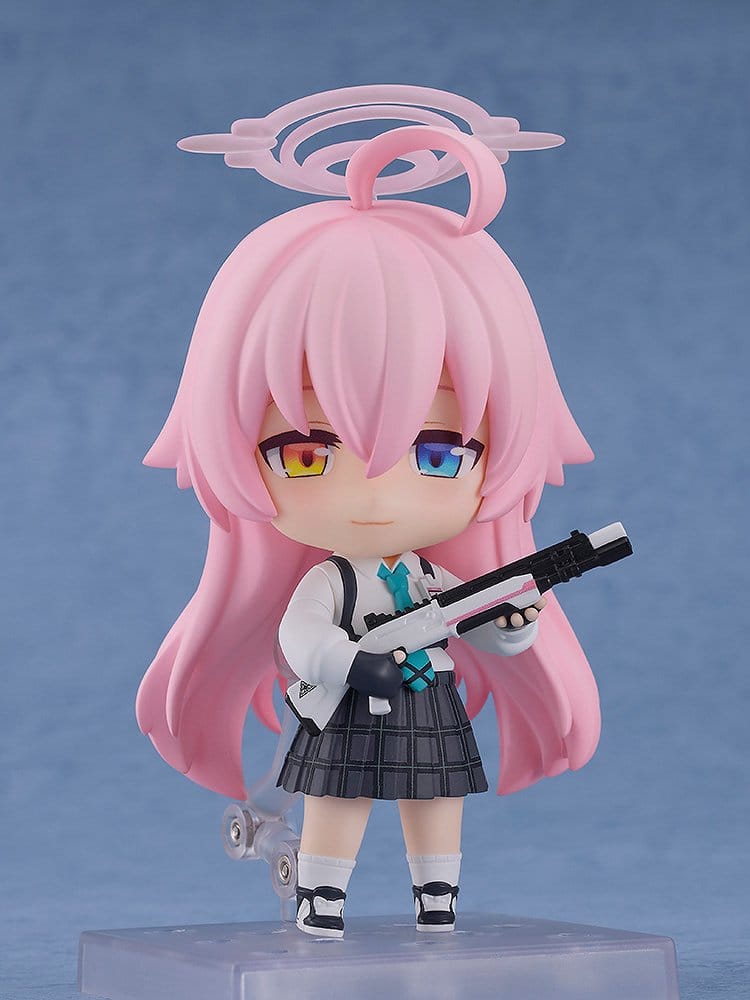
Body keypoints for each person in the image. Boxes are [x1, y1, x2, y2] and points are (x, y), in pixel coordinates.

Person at [136, 113, 598, 939]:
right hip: (351, 696)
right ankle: (322, 895)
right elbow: (303, 635)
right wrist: (354, 662)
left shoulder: (430, 579)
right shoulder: (330, 582)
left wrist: (515, 626)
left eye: (439, 453)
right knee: (336, 795)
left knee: (438, 794)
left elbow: (478, 619)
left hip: (425, 696)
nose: (377, 490)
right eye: (307, 453)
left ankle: (436, 894)